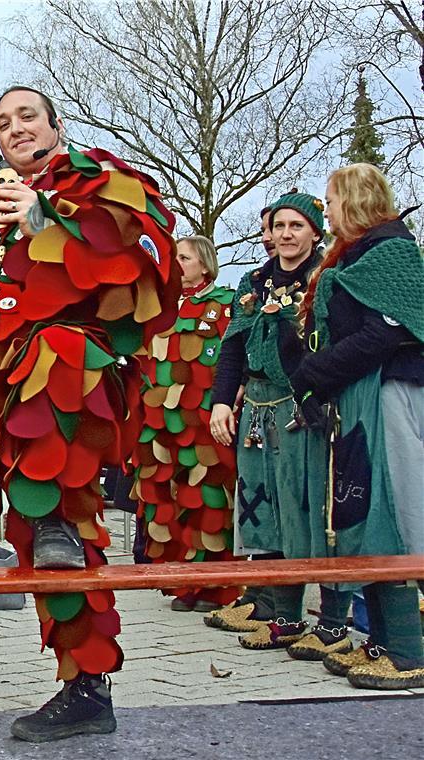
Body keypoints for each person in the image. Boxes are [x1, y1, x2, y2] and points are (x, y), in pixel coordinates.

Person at [0, 86, 179, 741]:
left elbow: (125, 262)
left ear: (58, 124)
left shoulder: (100, 181)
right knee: (45, 539)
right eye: (3, 123)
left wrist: (44, 215)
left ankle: (88, 681)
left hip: (73, 382)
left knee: (62, 513)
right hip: (6, 400)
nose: (13, 129)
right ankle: (85, 689)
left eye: (26, 115)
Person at [289, 164, 424, 688]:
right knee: (362, 512)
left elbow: (386, 333)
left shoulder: (392, 253)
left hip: (391, 394)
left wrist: (315, 373)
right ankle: (383, 641)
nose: (326, 209)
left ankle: (408, 652)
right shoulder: (351, 257)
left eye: (330, 199)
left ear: (356, 199)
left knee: (392, 511)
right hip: (358, 398)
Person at [207, 191, 354, 661]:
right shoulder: (253, 283)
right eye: (279, 226)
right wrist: (220, 403)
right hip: (257, 409)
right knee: (263, 511)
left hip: (305, 409)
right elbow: (232, 348)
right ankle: (285, 619)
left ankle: (332, 625)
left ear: (316, 232)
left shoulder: (327, 280)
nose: (286, 235)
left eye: (297, 226)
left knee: (312, 513)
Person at [132, 236, 239, 612]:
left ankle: (214, 583)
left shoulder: (225, 305)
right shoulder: (158, 308)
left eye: (184, 258)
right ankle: (181, 579)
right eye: (173, 257)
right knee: (168, 496)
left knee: (209, 498)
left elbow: (233, 359)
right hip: (160, 420)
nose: (176, 264)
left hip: (203, 421)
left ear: (205, 265)